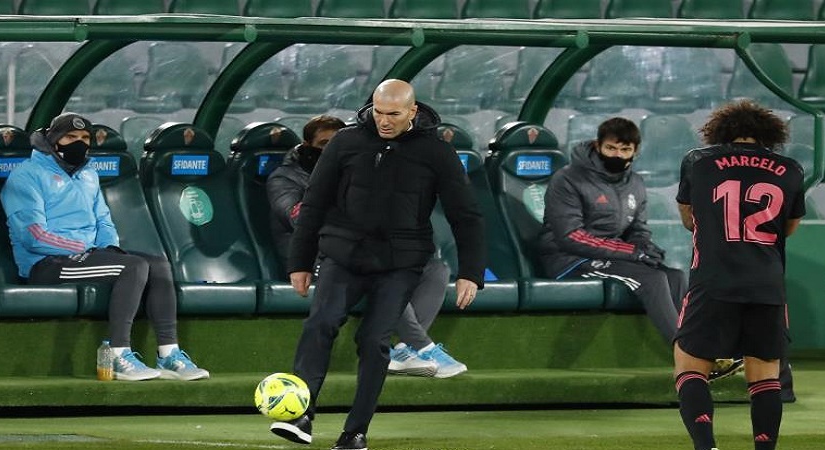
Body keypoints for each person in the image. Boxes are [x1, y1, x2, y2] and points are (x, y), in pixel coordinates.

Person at [269, 80, 485, 450]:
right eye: (379, 112)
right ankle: (300, 414)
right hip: (343, 254)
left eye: (394, 114)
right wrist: (300, 262)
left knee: (373, 340)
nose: (384, 121)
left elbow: (465, 214)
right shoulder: (346, 141)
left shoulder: (436, 151)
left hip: (400, 263)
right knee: (320, 323)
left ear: (412, 111)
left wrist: (471, 272)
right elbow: (315, 202)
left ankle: (355, 432)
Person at [1, 112, 209, 382]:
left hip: (86, 256)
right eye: (70, 137)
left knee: (158, 265)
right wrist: (83, 247)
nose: (79, 143)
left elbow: (103, 220)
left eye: (84, 138)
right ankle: (118, 354)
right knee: (133, 266)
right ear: (53, 140)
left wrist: (107, 249)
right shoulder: (26, 176)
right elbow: (34, 236)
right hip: (46, 264)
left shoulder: (88, 174)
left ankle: (169, 354)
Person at [267, 115, 466, 380]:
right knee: (378, 267)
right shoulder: (284, 179)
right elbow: (301, 218)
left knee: (434, 269)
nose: (331, 150)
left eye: (337, 143)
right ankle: (423, 345)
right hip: (314, 257)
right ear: (307, 146)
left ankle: (403, 350)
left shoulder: (356, 167)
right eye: (324, 144)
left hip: (358, 249)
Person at [674, 100, 805, 450]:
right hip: (767, 284)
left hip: (713, 279)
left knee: (690, 365)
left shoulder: (698, 161)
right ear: (768, 135)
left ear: (720, 131)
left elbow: (688, 219)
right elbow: (789, 228)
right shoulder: (791, 169)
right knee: (765, 376)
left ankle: (707, 447)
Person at [537, 117, 688, 345]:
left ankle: (696, 344)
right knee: (652, 279)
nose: (617, 155)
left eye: (625, 150)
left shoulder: (635, 183)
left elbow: (637, 228)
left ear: (635, 151)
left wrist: (644, 247)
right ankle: (686, 352)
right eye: (611, 148)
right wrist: (632, 252)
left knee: (675, 276)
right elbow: (570, 236)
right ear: (598, 146)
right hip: (570, 260)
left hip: (612, 256)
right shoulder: (568, 179)